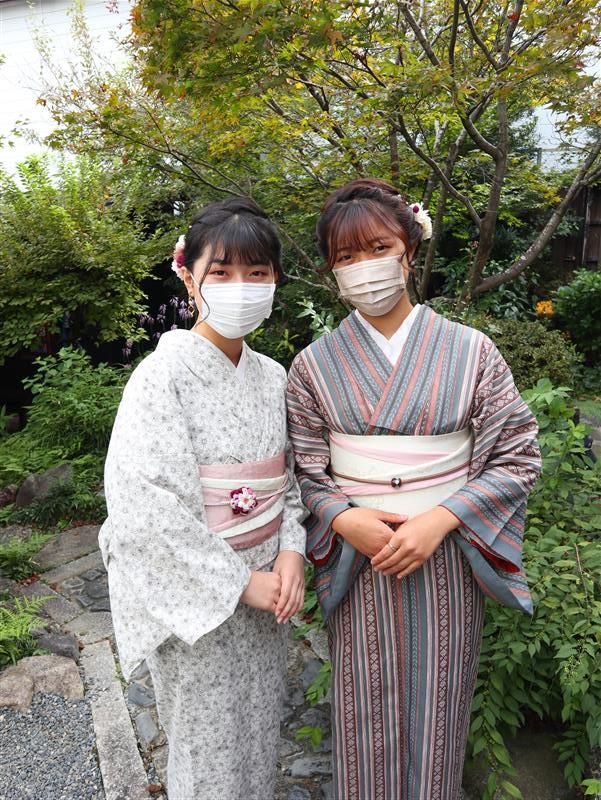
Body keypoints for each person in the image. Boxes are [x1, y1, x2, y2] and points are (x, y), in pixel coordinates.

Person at [286, 178, 541, 800]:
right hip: (360, 558)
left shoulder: (471, 351)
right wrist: (343, 518)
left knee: (440, 701)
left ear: (409, 250)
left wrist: (442, 518)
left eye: (377, 248)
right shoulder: (313, 365)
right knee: (362, 704)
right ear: (331, 272)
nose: (364, 267)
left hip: (446, 554)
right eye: (346, 257)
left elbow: (517, 454)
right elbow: (305, 469)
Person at [99, 197, 307, 800]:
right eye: (221, 272)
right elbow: (144, 509)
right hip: (202, 601)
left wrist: (291, 552)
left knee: (259, 738)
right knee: (205, 754)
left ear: (274, 281)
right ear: (188, 277)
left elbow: (289, 482)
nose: (241, 286)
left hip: (269, 588)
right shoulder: (159, 378)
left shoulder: (274, 376)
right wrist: (239, 583)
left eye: (257, 272)